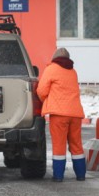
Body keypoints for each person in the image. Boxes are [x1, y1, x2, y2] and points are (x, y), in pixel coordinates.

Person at [36, 47, 86, 182]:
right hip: (75, 113)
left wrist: (45, 100)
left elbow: (41, 91)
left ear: (55, 58)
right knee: (76, 145)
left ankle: (58, 176)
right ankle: (81, 175)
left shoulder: (51, 69)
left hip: (59, 114)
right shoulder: (73, 71)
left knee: (59, 145)